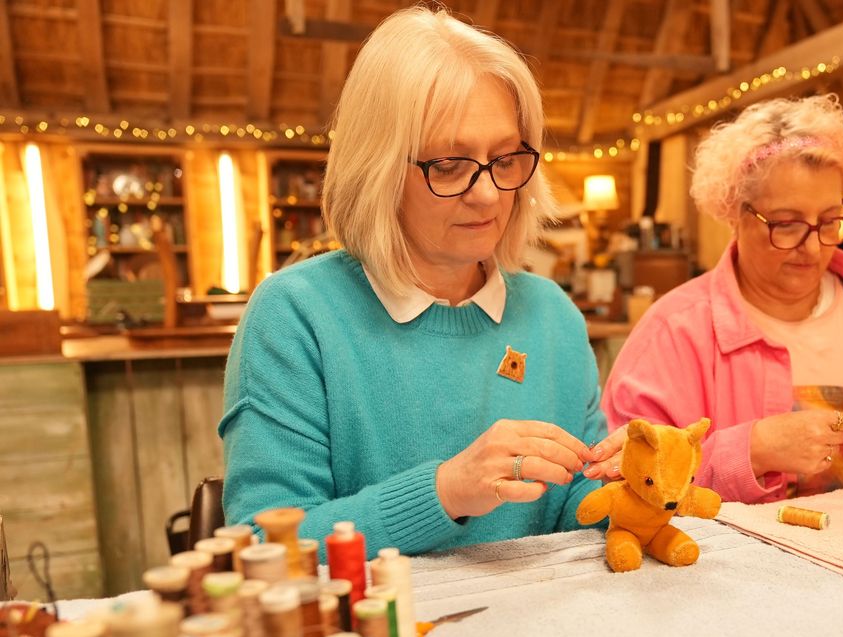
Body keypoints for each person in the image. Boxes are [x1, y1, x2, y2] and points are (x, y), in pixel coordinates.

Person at [220, 6, 623, 557]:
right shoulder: (297, 315)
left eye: (505, 158)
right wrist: (446, 491)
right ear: (378, 169)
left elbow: (573, 499)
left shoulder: (552, 314)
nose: (487, 194)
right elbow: (261, 547)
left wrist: (625, 489)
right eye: (449, 165)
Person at [603, 95, 843, 504]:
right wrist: (750, 451)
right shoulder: (675, 331)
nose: (812, 248)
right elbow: (622, 475)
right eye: (787, 224)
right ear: (735, 215)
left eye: (830, 221)